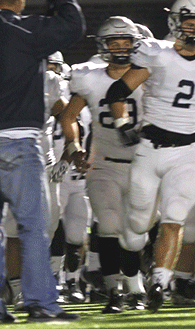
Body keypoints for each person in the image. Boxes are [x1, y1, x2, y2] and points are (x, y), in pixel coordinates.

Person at [0, 0, 85, 323]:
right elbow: (72, 26)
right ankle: (40, 302)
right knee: (33, 224)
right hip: (17, 140)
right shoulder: (20, 31)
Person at [105, 0, 195, 312]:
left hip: (188, 151)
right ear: (176, 24)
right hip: (150, 150)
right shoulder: (158, 54)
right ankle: (134, 276)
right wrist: (123, 123)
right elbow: (117, 91)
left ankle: (159, 283)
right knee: (137, 226)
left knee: (174, 218)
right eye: (189, 23)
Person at [59, 17, 146, 313]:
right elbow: (68, 117)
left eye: (126, 43)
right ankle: (114, 293)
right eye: (114, 43)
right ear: (104, 46)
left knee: (135, 231)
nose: (121, 49)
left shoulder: (150, 75)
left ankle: (136, 287)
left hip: (142, 164)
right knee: (108, 225)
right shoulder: (90, 76)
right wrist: (74, 147)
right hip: (104, 164)